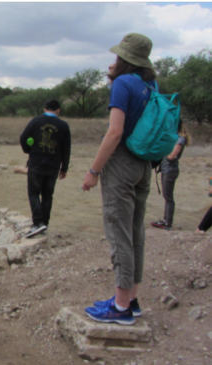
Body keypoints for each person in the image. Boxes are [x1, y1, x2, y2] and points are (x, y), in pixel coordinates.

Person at [81, 33, 158, 325]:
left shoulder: (123, 84)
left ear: (124, 59)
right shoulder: (151, 84)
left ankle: (121, 307)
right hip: (144, 164)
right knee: (135, 231)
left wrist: (94, 171)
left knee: (119, 232)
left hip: (122, 163)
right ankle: (131, 298)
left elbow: (114, 132)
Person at [19, 100, 71, 238]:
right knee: (47, 194)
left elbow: (23, 137)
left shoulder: (36, 121)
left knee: (34, 193)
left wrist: (29, 150)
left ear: (44, 109)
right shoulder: (63, 125)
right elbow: (66, 149)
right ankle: (44, 223)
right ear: (58, 111)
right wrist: (64, 168)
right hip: (53, 164)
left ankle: (37, 223)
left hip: (36, 162)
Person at [150, 122, 190, 231]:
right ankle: (165, 220)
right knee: (166, 196)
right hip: (166, 170)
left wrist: (164, 149)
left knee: (168, 197)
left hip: (170, 171)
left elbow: (172, 156)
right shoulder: (175, 138)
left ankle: (168, 223)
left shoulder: (180, 139)